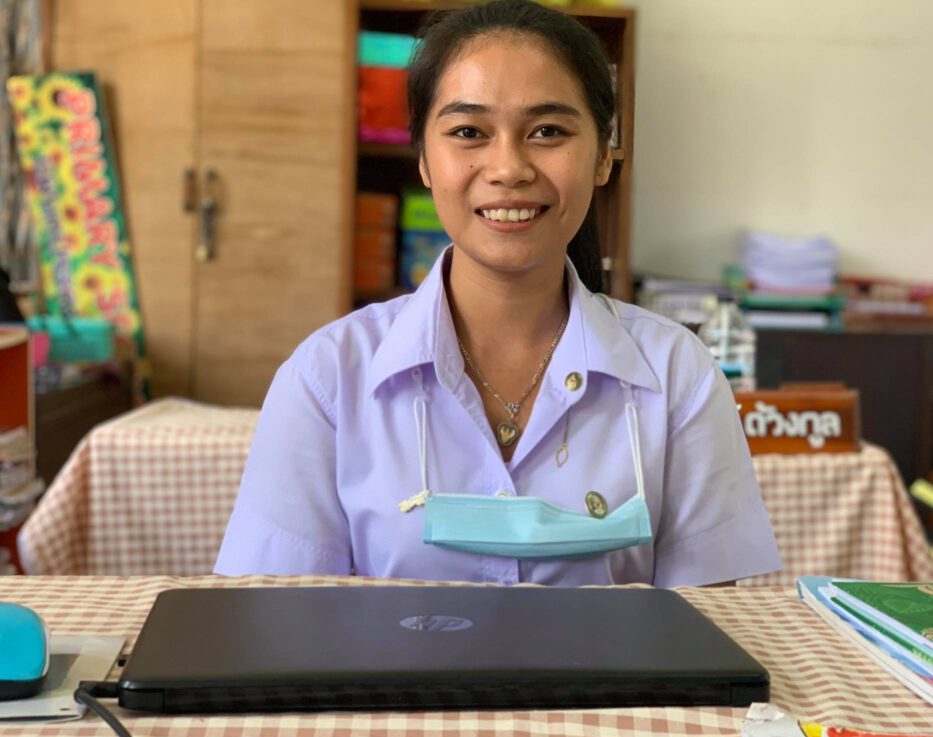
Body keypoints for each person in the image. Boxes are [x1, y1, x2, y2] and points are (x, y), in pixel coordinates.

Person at [215, 0, 781, 587]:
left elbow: (704, 620)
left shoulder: (677, 375)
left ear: (603, 157)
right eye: (468, 132)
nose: (508, 168)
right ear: (425, 160)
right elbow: (275, 611)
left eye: (548, 131)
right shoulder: (328, 378)